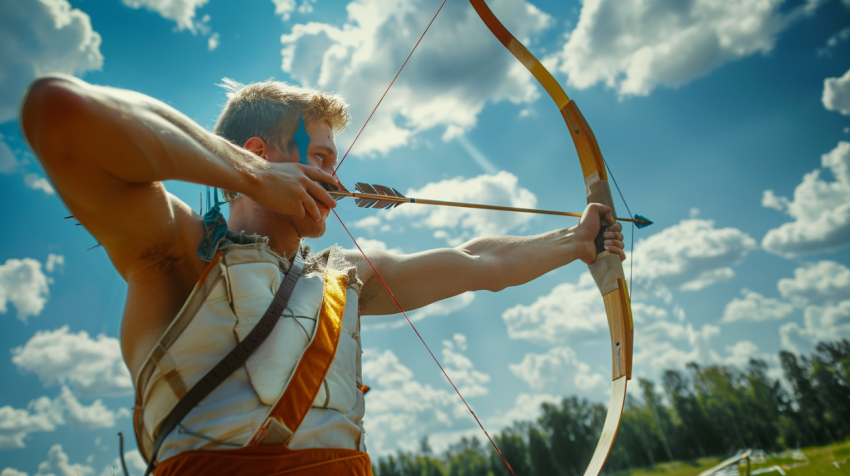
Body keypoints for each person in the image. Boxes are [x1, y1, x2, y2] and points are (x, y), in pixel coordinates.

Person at [20, 75, 626, 475]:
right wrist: (251, 177)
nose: (336, 180)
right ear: (259, 152)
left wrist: (577, 241)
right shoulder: (178, 254)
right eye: (319, 157)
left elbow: (480, 264)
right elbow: (60, 112)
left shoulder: (344, 279)